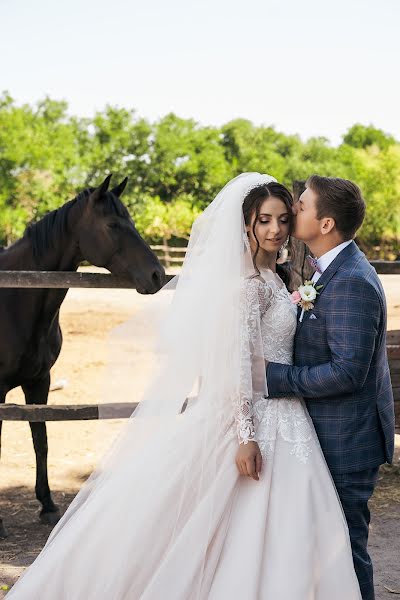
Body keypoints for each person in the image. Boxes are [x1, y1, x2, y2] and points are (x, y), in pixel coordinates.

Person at [7, 173, 361, 599]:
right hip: (253, 419)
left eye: (284, 219)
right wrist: (246, 437)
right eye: (264, 220)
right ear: (246, 224)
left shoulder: (278, 278)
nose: (276, 230)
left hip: (287, 418)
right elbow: (236, 365)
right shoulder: (248, 287)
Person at [265, 175, 395, 600]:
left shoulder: (352, 281)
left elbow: (347, 372)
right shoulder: (330, 271)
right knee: (323, 547)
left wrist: (273, 378)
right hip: (327, 433)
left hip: (347, 440)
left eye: (301, 206)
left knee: (343, 549)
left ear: (325, 224)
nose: (292, 213)